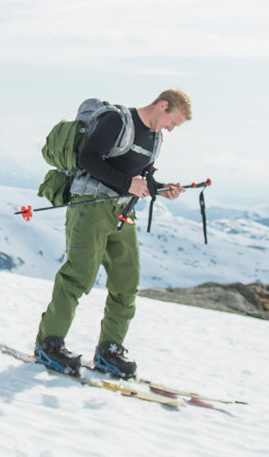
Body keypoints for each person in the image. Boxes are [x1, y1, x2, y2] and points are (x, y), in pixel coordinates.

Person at [33, 90, 191, 380]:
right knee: (78, 275)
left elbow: (140, 178)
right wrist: (127, 185)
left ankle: (110, 350)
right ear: (163, 105)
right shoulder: (118, 121)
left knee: (126, 280)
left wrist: (161, 188)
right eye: (173, 121)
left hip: (122, 211)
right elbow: (89, 159)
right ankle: (49, 343)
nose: (171, 129)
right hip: (90, 206)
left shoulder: (154, 139)